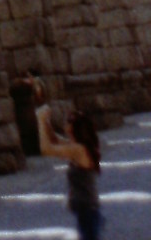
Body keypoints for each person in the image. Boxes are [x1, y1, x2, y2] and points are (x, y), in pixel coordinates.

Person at [39, 99, 102, 240]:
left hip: (88, 214)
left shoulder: (78, 150)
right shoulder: (78, 147)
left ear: (73, 128)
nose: (65, 123)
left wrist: (40, 121)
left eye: (68, 121)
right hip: (87, 212)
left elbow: (46, 149)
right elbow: (54, 140)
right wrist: (46, 122)